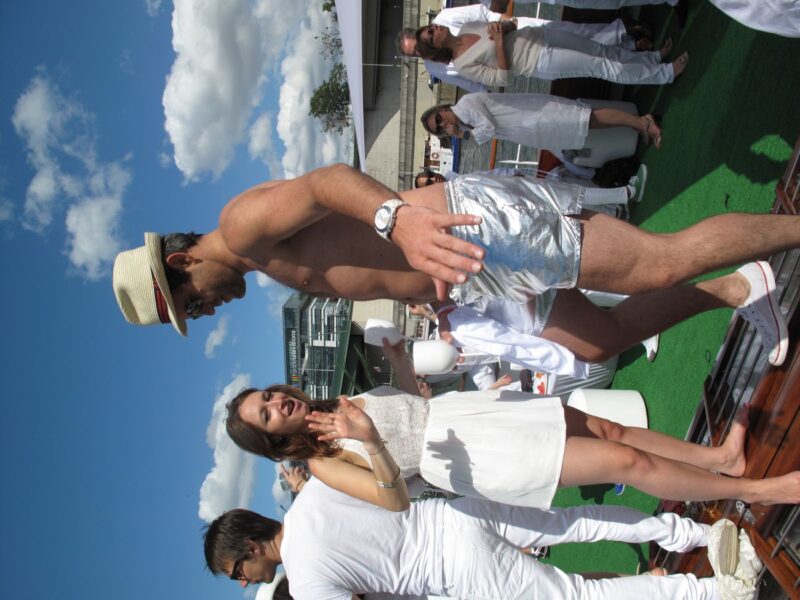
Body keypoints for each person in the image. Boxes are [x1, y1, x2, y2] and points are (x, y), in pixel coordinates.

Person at [112, 165, 793, 366]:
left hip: (475, 228)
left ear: (181, 260)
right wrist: (427, 291)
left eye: (191, 302)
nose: (207, 309)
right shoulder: (260, 261)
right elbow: (358, 259)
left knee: (658, 264)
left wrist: (399, 221)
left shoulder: (240, 226)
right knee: (597, 341)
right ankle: (741, 286)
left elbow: (326, 182)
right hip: (468, 272)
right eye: (196, 316)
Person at [224, 382, 800, 511]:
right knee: (625, 463)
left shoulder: (336, 402)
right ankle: (756, 491)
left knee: (610, 431)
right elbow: (395, 500)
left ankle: (722, 460)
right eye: (265, 414)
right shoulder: (322, 462)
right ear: (270, 440)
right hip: (475, 459)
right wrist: (370, 441)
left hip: (467, 412)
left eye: (269, 396)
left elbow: (411, 406)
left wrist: (400, 360)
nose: (277, 404)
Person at [203, 477, 746, 599]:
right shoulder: (319, 487)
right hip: (452, 514)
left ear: (249, 549)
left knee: (581, 596)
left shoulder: (304, 584)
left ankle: (709, 592)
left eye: (235, 573)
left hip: (454, 570)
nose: (243, 582)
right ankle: (697, 532)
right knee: (573, 521)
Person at [396, 5, 656, 91]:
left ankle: (633, 44)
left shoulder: (448, 19)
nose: (418, 52)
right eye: (414, 53)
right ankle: (630, 39)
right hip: (531, 60)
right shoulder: (439, 68)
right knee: (595, 63)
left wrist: (504, 24)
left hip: (523, 30)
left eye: (416, 46)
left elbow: (482, 13)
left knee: (581, 35)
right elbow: (477, 84)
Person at [415, 20, 687, 89]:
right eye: (431, 34)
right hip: (539, 61)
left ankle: (652, 59)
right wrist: (497, 43)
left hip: (539, 35)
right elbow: (502, 80)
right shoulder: (462, 65)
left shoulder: (467, 26)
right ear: (435, 47)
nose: (434, 28)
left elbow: (510, 28)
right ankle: (664, 74)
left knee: (602, 50)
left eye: (430, 27)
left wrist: (503, 28)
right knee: (601, 66)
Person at [420, 93, 663, 150]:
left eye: (438, 118)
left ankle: (643, 123)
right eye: (439, 128)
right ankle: (638, 122)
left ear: (442, 108)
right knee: (589, 125)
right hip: (535, 127)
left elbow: (489, 128)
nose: (442, 124)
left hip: (539, 114)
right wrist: (465, 132)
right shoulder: (466, 123)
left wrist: (462, 135)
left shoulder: (465, 106)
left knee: (590, 117)